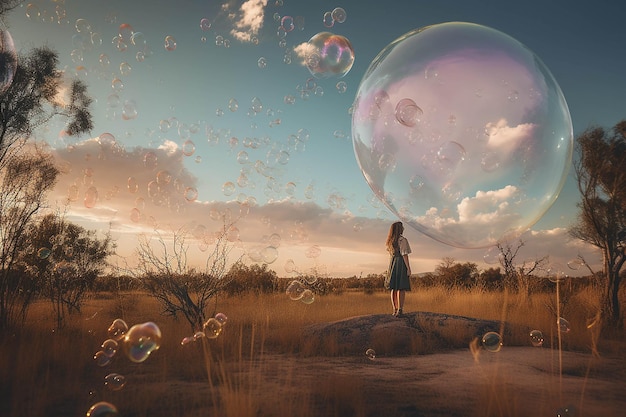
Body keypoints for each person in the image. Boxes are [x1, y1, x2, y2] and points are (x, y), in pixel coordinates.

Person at [385, 221, 412, 317]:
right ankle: (400, 309)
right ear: (399, 229)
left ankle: (394, 309)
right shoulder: (402, 240)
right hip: (400, 263)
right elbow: (404, 254)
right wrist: (408, 268)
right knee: (401, 287)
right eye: (402, 227)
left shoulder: (390, 241)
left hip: (392, 264)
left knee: (394, 288)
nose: (403, 229)